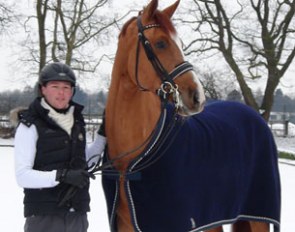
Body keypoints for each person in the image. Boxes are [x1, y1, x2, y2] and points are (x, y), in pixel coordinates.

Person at [13, 62, 106, 232]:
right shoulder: (30, 125)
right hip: (44, 217)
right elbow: (22, 176)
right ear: (43, 89)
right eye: (55, 86)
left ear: (72, 91)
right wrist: (62, 176)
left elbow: (86, 162)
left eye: (66, 87)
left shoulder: (77, 122)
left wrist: (103, 135)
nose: (61, 93)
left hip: (77, 215)